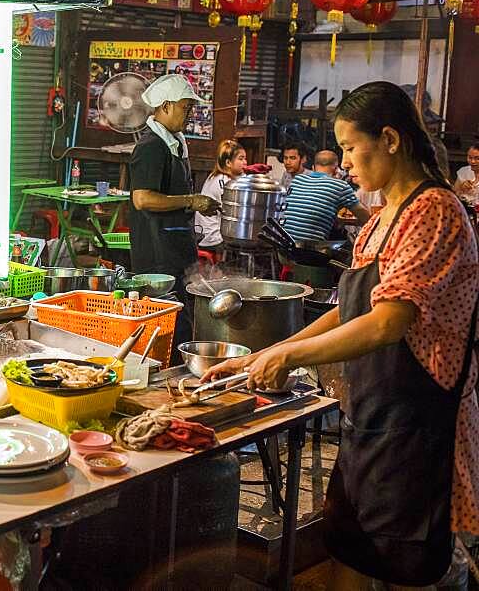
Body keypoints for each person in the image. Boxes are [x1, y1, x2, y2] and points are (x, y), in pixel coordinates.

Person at [206, 80, 479, 588]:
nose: (345, 162)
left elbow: (388, 320)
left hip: (417, 431)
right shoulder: (381, 221)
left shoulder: (434, 211)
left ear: (391, 140)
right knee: (349, 550)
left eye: (351, 148)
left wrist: (290, 360)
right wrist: (264, 354)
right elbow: (348, 310)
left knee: (408, 570)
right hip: (372, 419)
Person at [129, 74, 219, 348]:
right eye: (185, 107)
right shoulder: (151, 146)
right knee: (165, 319)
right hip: (157, 252)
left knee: (181, 315)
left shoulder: (174, 141)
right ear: (166, 106)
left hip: (175, 245)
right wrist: (191, 200)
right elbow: (142, 199)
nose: (189, 114)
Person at [281, 153, 369, 241]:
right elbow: (366, 218)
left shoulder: (297, 180)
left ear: (313, 168)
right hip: (311, 250)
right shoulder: (340, 186)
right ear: (336, 169)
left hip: (283, 245)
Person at [195, 139, 246, 251]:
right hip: (213, 238)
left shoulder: (215, 176)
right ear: (228, 163)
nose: (245, 162)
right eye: (241, 159)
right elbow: (236, 213)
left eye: (245, 159)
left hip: (203, 234)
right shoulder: (225, 182)